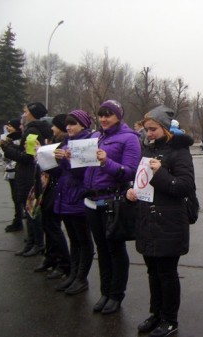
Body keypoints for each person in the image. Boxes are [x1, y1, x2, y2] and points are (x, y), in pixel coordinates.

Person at [126, 105, 195, 337]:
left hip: (170, 222)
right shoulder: (148, 149)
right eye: (146, 129)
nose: (149, 133)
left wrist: (160, 173)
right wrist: (132, 191)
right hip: (148, 218)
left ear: (165, 128)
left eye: (153, 129)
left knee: (167, 273)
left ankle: (169, 319)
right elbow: (141, 180)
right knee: (152, 272)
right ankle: (155, 314)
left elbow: (185, 185)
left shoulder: (180, 151)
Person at [83, 100, 141, 314]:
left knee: (115, 250)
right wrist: (70, 160)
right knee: (102, 250)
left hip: (112, 202)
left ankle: (116, 295)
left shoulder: (129, 139)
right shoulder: (95, 137)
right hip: (91, 202)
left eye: (109, 115)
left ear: (118, 116)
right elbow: (84, 171)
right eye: (101, 115)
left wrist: (107, 162)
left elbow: (131, 172)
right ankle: (105, 292)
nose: (104, 119)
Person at [51, 110, 95, 294]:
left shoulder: (87, 144)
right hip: (66, 195)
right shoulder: (68, 142)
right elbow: (63, 172)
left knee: (83, 240)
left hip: (78, 197)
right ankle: (73, 274)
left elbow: (84, 174)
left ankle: (81, 278)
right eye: (67, 124)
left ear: (83, 126)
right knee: (74, 240)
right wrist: (56, 159)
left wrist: (68, 160)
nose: (68, 127)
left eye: (73, 124)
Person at [0, 102, 52, 256]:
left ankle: (37, 243)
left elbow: (28, 157)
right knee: (29, 211)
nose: (24, 113)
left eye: (26, 110)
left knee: (31, 211)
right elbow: (25, 150)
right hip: (29, 174)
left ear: (32, 113)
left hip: (28, 175)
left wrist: (7, 150)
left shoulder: (33, 131)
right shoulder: (34, 129)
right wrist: (12, 146)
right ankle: (31, 242)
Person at [33, 114, 71, 280]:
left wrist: (42, 158)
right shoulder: (55, 142)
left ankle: (63, 263)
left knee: (53, 226)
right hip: (48, 187)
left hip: (57, 188)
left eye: (55, 126)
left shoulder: (65, 145)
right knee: (47, 224)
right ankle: (51, 257)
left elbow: (59, 170)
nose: (52, 128)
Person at [0, 118, 23, 232]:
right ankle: (19, 217)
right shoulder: (9, 138)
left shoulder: (17, 139)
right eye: (7, 125)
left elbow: (5, 154)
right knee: (16, 197)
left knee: (17, 197)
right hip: (12, 171)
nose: (8, 128)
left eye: (11, 126)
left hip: (15, 170)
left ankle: (18, 220)